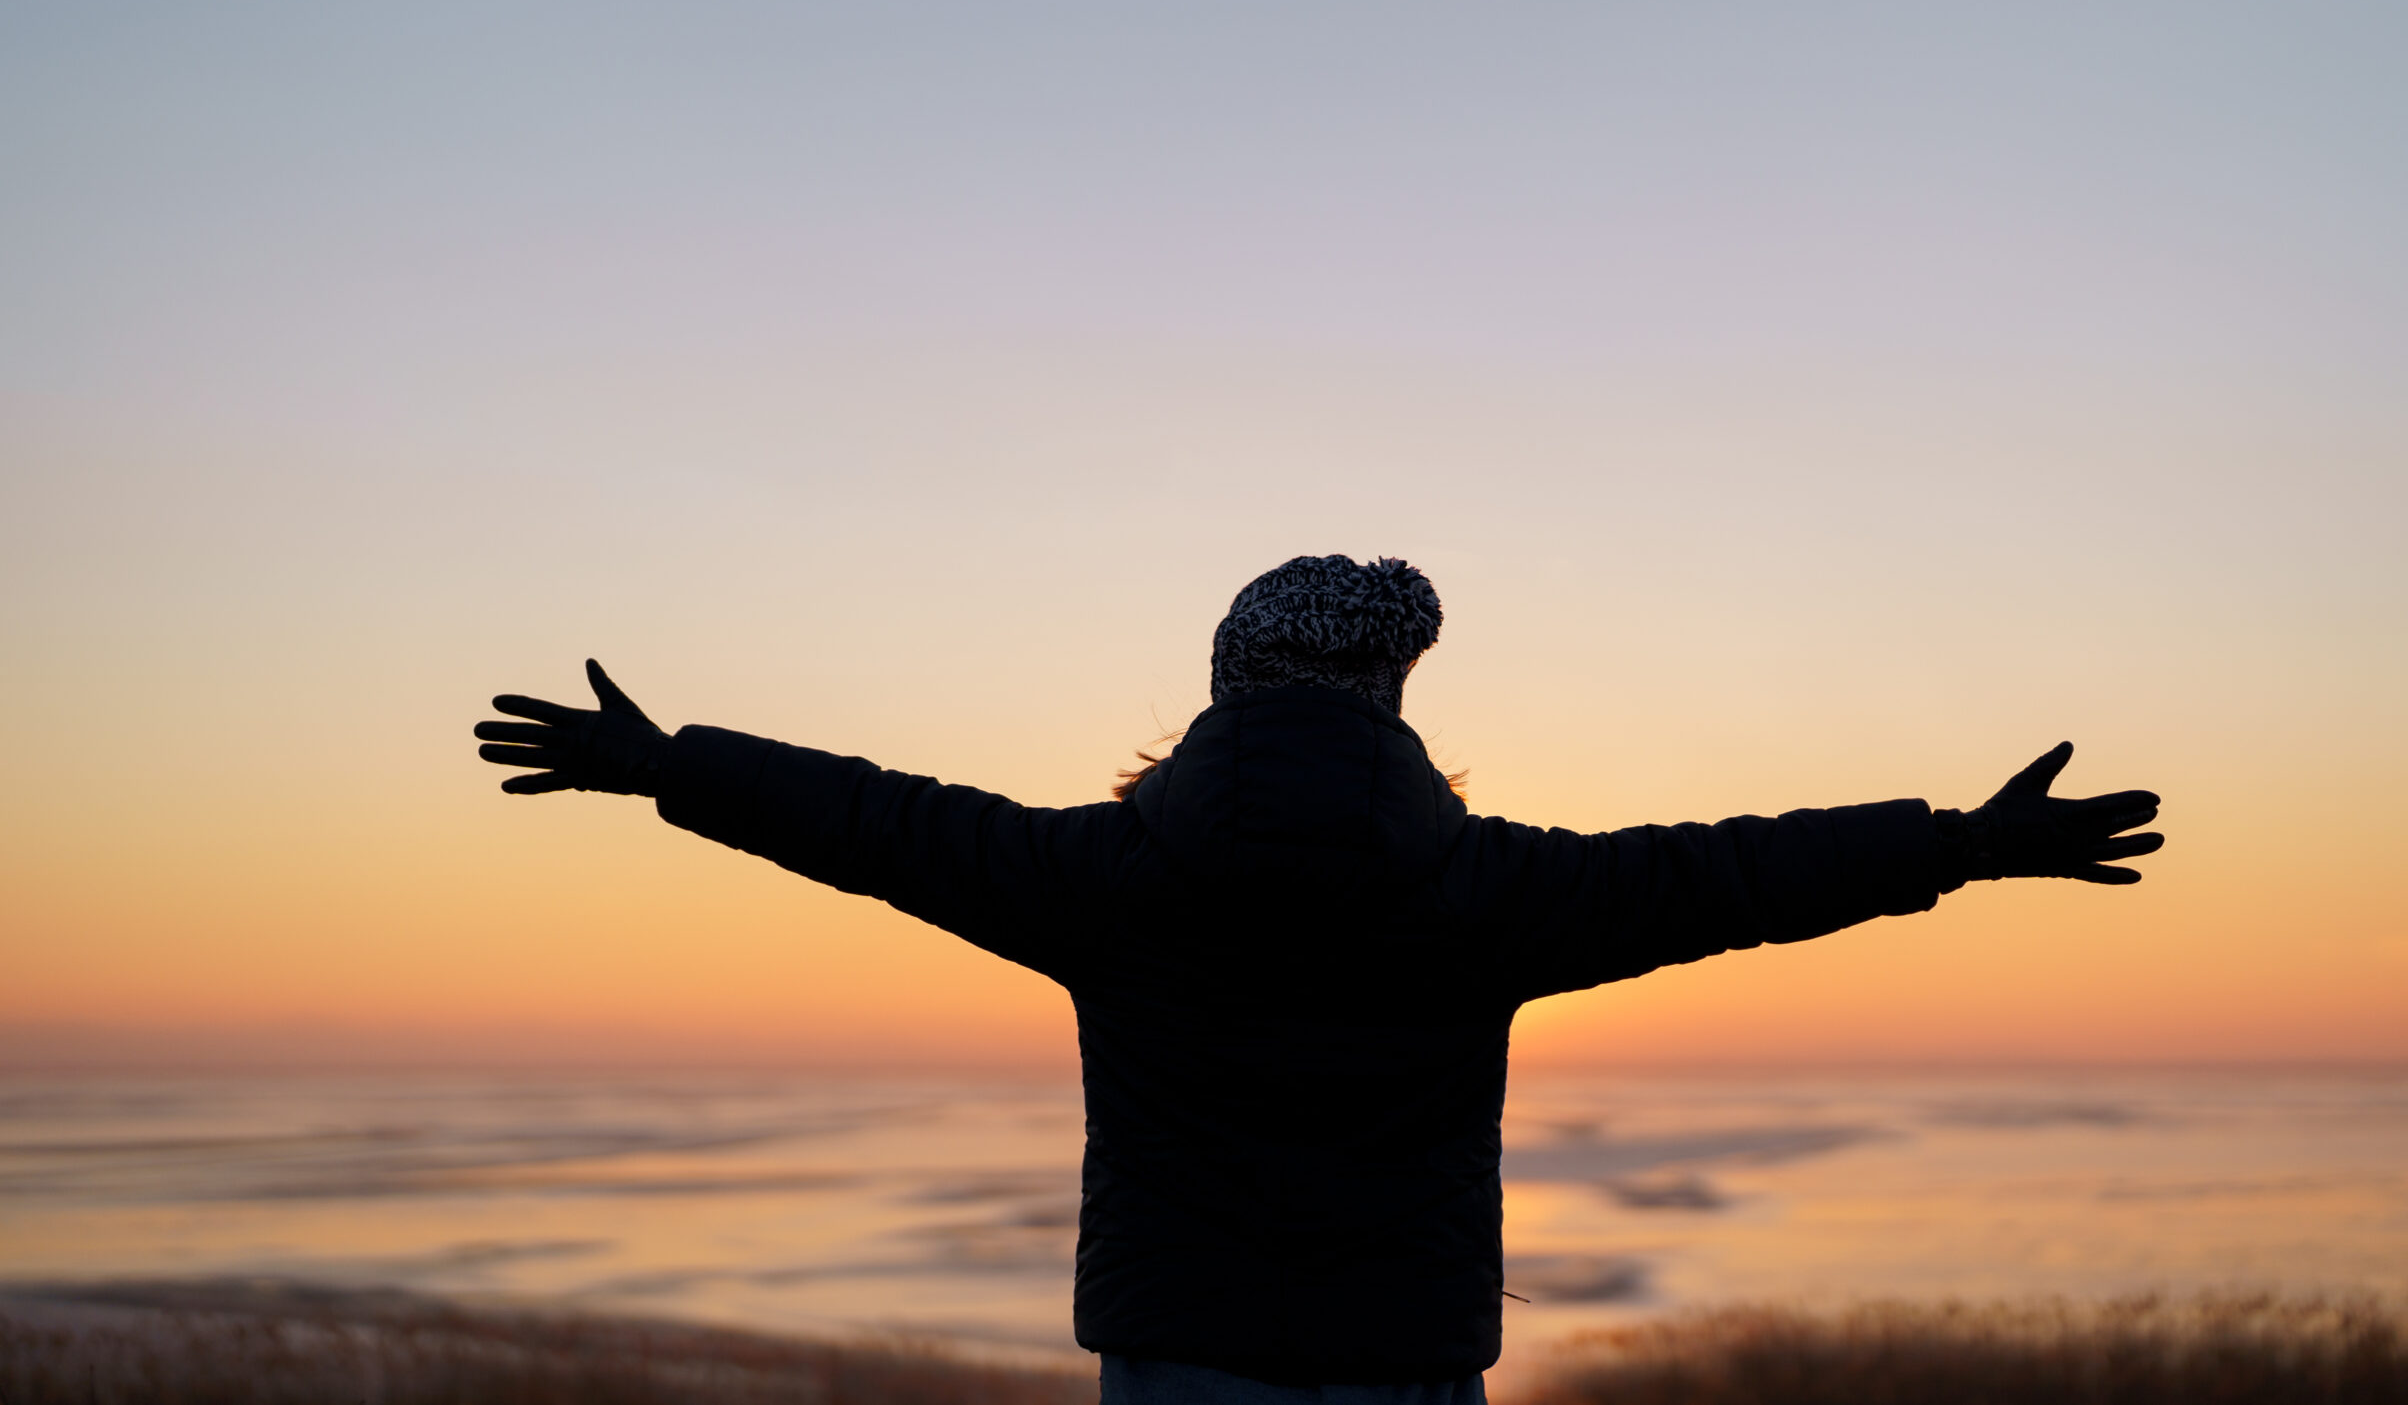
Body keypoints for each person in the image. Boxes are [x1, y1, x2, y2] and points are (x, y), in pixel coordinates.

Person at [474, 555, 2162, 1405]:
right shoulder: (1488, 890)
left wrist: (673, 764)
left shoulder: (1108, 878)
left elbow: (880, 824)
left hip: (1180, 1347)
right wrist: (1949, 842)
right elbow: (1722, 873)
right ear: (1399, 701)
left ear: (1221, 690)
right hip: (1400, 1349)